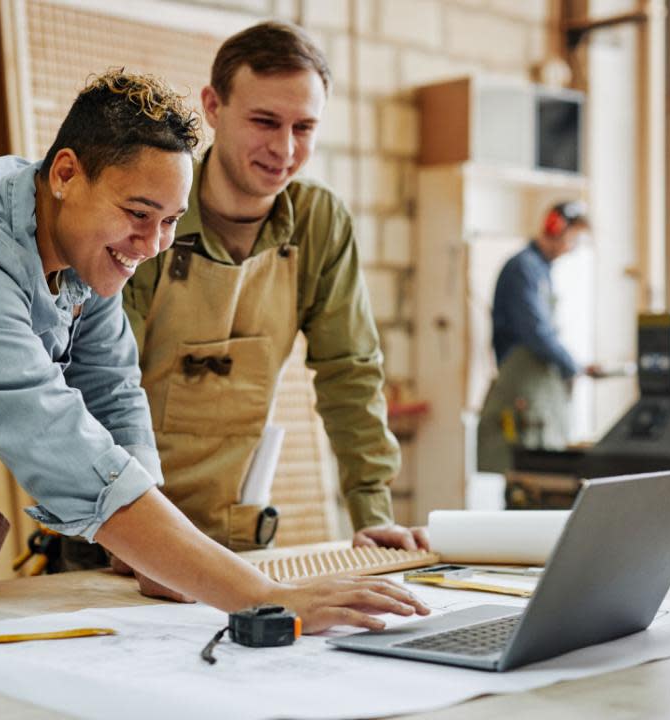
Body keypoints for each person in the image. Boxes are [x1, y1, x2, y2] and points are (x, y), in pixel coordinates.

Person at [0, 69, 427, 633]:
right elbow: (65, 449)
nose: (154, 245)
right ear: (67, 173)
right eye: (138, 215)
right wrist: (261, 595)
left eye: (169, 222)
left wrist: (153, 551)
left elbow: (111, 389)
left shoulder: (79, 244)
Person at [119, 21, 427, 565]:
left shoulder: (319, 223)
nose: (284, 149)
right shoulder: (150, 209)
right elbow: (104, 382)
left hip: (235, 542)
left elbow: (349, 373)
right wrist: (127, 527)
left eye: (304, 127)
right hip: (117, 535)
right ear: (213, 106)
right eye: (265, 122)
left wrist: (373, 513)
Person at [477, 200, 598, 473]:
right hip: (521, 389)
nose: (572, 248)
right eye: (573, 239)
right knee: (523, 478)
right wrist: (571, 366)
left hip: (535, 392)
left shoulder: (541, 271)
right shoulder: (523, 268)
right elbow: (536, 331)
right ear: (555, 228)